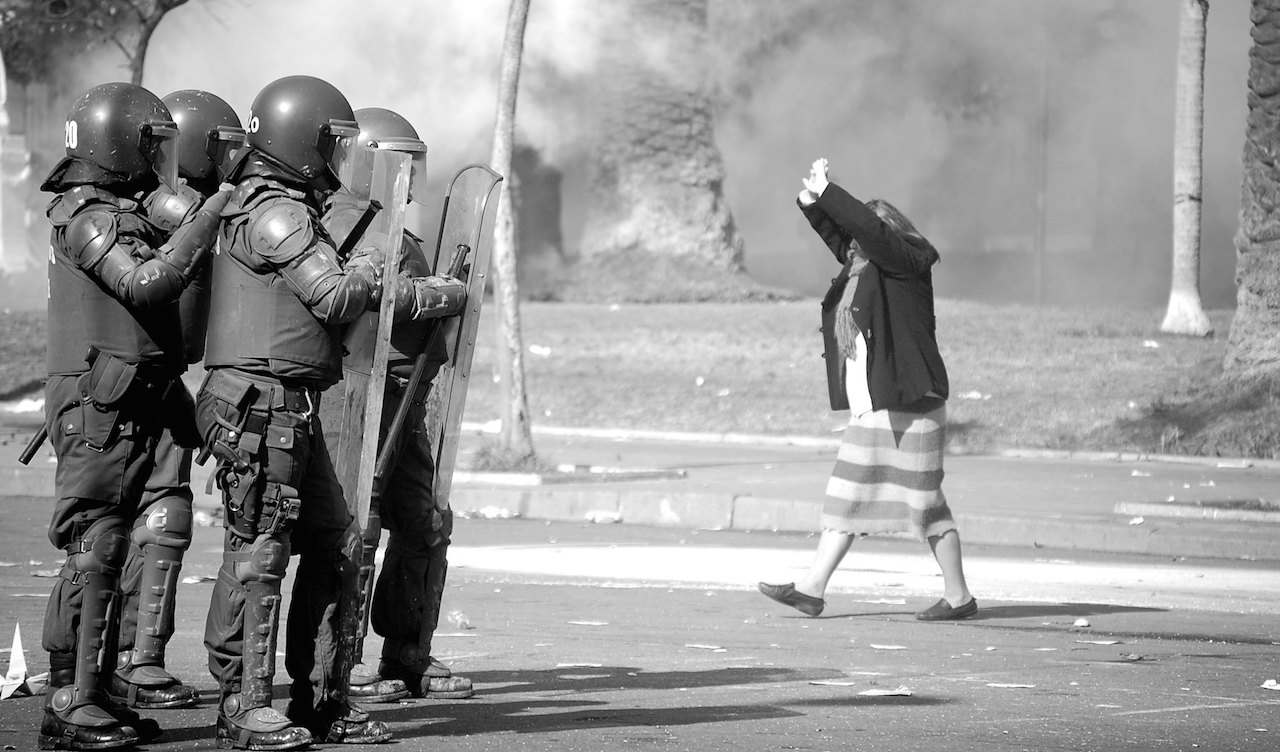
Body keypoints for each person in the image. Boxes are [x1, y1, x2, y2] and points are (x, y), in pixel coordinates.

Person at [194, 75, 467, 750]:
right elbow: (333, 293)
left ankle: (319, 699)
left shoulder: (293, 204)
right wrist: (382, 278)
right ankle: (244, 705)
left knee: (337, 543)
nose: (340, 159)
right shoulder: (272, 210)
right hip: (257, 404)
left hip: (295, 402)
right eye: (332, 144)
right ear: (304, 139)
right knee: (260, 552)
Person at [39, 81, 230, 750]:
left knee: (120, 543)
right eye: (152, 144)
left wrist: (189, 417)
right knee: (97, 547)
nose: (160, 158)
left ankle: (101, 690)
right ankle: (72, 699)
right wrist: (208, 219)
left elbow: (152, 331)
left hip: (136, 391)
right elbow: (146, 284)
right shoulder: (86, 213)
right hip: (97, 403)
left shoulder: (124, 209)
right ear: (118, 143)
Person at [758, 157, 976, 622]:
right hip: (876, 405)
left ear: (884, 232)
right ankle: (812, 588)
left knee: (925, 506)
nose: (853, 246)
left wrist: (833, 191)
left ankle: (959, 597)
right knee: (846, 496)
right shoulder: (865, 266)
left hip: (913, 403)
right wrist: (812, 202)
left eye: (864, 235)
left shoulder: (906, 262)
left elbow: (867, 233)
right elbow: (844, 238)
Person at [322, 107, 473, 704]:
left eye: (415, 162)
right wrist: (435, 295)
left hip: (408, 400)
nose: (410, 174)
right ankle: (347, 660)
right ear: (367, 161)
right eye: (399, 162)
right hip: (361, 400)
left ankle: (407, 649)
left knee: (426, 521)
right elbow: (363, 298)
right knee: (362, 527)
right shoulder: (341, 226)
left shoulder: (398, 232)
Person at [106, 88, 247, 716]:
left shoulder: (201, 205)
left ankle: (134, 659)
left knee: (161, 515)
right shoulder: (171, 205)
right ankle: (131, 662)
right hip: (135, 380)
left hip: (172, 378)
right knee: (154, 518)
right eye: (221, 144)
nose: (231, 157)